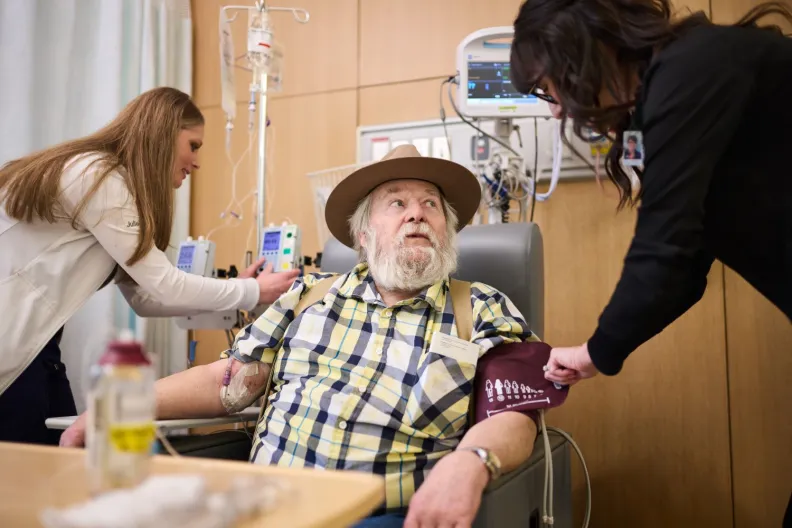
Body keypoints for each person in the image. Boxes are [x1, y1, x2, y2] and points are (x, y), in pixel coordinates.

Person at [61, 145, 542, 528]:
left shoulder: (481, 309)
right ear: (363, 235)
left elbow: (517, 417)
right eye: (397, 202)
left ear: (447, 229)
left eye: (430, 205)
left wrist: (472, 461)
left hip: (379, 513)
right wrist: (117, 407)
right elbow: (225, 382)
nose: (416, 215)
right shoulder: (307, 297)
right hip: (263, 504)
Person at [509, 0, 792, 523]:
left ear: (581, 51)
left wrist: (600, 346)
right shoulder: (669, 94)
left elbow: (664, 248)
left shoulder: (693, 68)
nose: (554, 110)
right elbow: (683, 269)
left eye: (549, 89)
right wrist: (598, 353)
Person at [0, 87, 300, 445]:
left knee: (63, 455)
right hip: (14, 338)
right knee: (30, 469)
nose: (197, 161)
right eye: (194, 145)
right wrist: (252, 292)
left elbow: (145, 298)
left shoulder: (113, 188)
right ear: (163, 134)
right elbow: (165, 285)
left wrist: (238, 293)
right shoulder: (99, 177)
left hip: (40, 346)